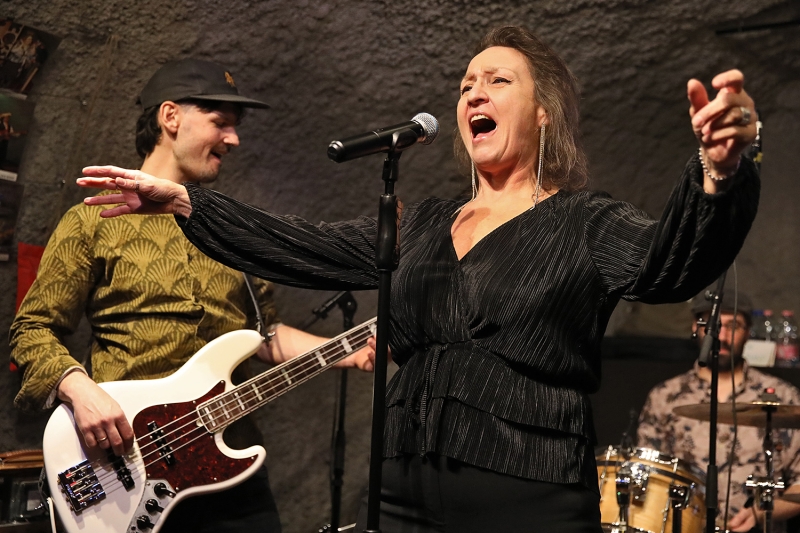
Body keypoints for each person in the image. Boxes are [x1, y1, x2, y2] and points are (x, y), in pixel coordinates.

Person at [76, 26, 760, 532]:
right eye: (466, 85)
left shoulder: (585, 220)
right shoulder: (427, 223)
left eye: (498, 81)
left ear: (543, 111)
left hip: (528, 498)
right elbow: (305, 245)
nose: (474, 92)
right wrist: (188, 203)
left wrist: (720, 174)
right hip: (400, 492)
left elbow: (670, 262)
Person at [10, 58, 376, 533]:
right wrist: (80, 391)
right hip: (125, 465)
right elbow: (32, 330)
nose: (233, 139)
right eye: (221, 122)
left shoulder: (232, 228)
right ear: (170, 117)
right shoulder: (92, 221)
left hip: (229, 462)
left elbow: (262, 334)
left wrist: (350, 351)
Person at [637, 289, 800, 533]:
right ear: (696, 327)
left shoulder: (783, 396)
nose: (721, 336)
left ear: (748, 331)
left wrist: (762, 511)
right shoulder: (665, 396)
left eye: (733, 325)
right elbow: (648, 475)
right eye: (712, 325)